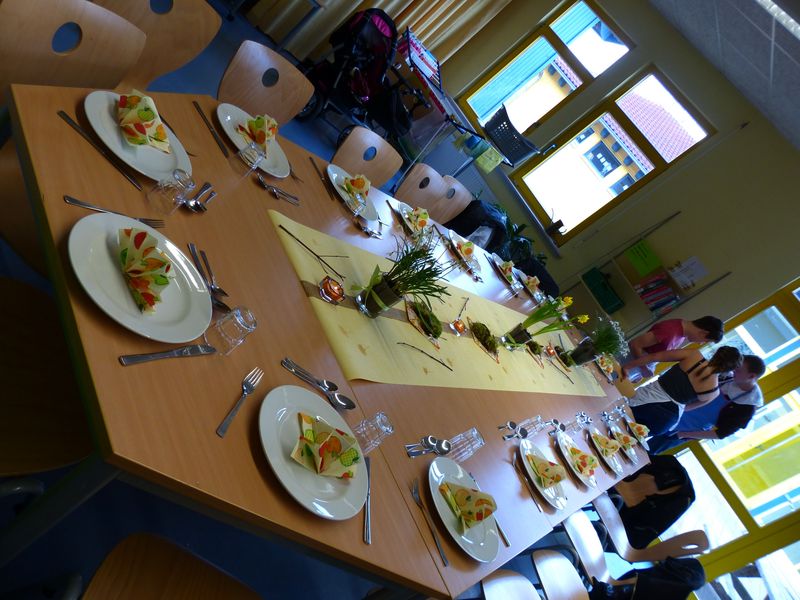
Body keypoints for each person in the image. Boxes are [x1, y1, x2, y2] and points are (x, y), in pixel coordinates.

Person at [647, 354, 766, 454]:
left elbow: (720, 434)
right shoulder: (725, 378)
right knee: (639, 431)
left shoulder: (747, 407)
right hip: (670, 414)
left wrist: (683, 434)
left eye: (738, 370)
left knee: (646, 451)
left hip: (683, 431)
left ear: (751, 376)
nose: (733, 370)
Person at [622, 345, 742, 436]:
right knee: (626, 440)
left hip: (645, 400)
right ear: (729, 370)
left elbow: (655, 357)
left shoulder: (694, 355)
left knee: (616, 421)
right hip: (665, 421)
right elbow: (686, 408)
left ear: (717, 352)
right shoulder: (714, 392)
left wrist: (627, 367)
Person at [623, 316, 724, 381]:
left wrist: (640, 373)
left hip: (631, 368)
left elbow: (653, 354)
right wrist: (643, 368)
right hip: (624, 363)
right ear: (704, 333)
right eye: (705, 341)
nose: (700, 343)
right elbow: (635, 344)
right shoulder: (670, 330)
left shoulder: (682, 335)